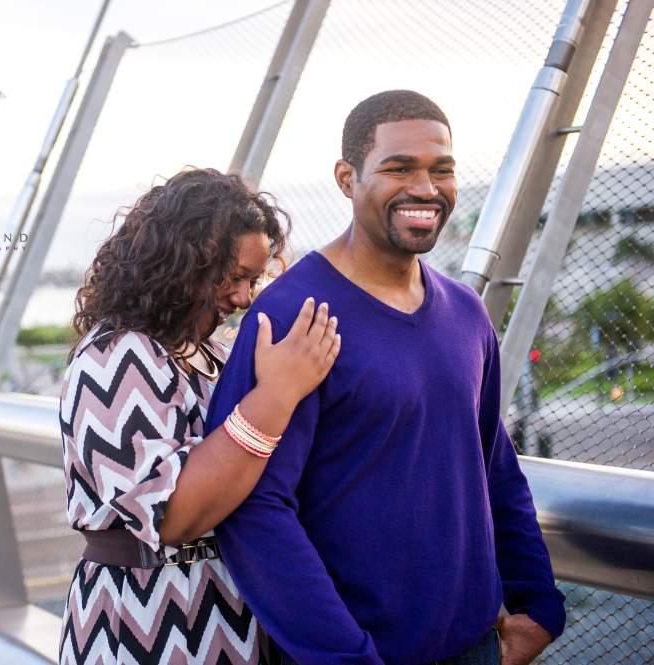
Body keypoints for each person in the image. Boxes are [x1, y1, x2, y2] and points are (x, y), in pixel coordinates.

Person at [206, 90, 566, 665]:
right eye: (399, 168)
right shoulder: (291, 314)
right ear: (347, 179)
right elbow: (253, 510)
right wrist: (346, 657)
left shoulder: (467, 313)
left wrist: (541, 607)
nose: (425, 189)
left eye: (441, 170)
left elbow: (494, 464)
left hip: (476, 645)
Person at [58, 167, 341, 665]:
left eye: (253, 279)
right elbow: (173, 516)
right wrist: (277, 393)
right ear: (175, 264)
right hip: (144, 619)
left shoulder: (207, 352)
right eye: (232, 277)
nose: (243, 298)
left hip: (228, 612)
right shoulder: (118, 356)